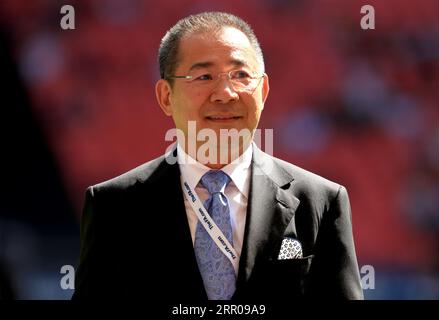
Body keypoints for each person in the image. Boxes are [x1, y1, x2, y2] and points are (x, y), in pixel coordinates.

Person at [72, 11, 363, 301]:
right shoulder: (112, 206)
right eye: (204, 76)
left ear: (262, 91)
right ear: (165, 97)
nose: (225, 93)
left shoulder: (322, 201)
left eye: (240, 75)